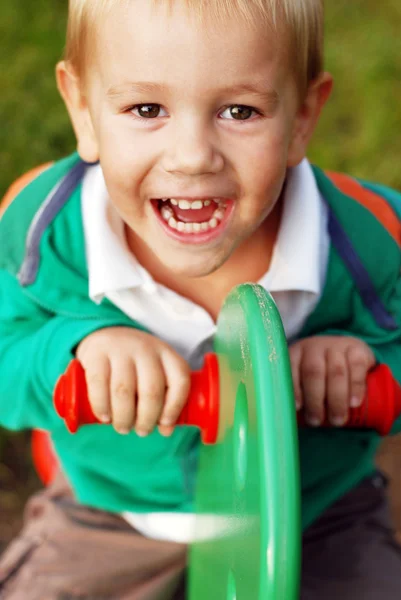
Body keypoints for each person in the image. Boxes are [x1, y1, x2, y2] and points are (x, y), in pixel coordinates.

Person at [0, 0, 401, 597]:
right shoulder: (47, 232)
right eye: (146, 108)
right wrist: (74, 350)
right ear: (83, 108)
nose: (192, 156)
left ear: (302, 117)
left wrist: (364, 367)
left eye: (240, 110)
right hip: (113, 511)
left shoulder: (369, 240)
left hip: (315, 512)